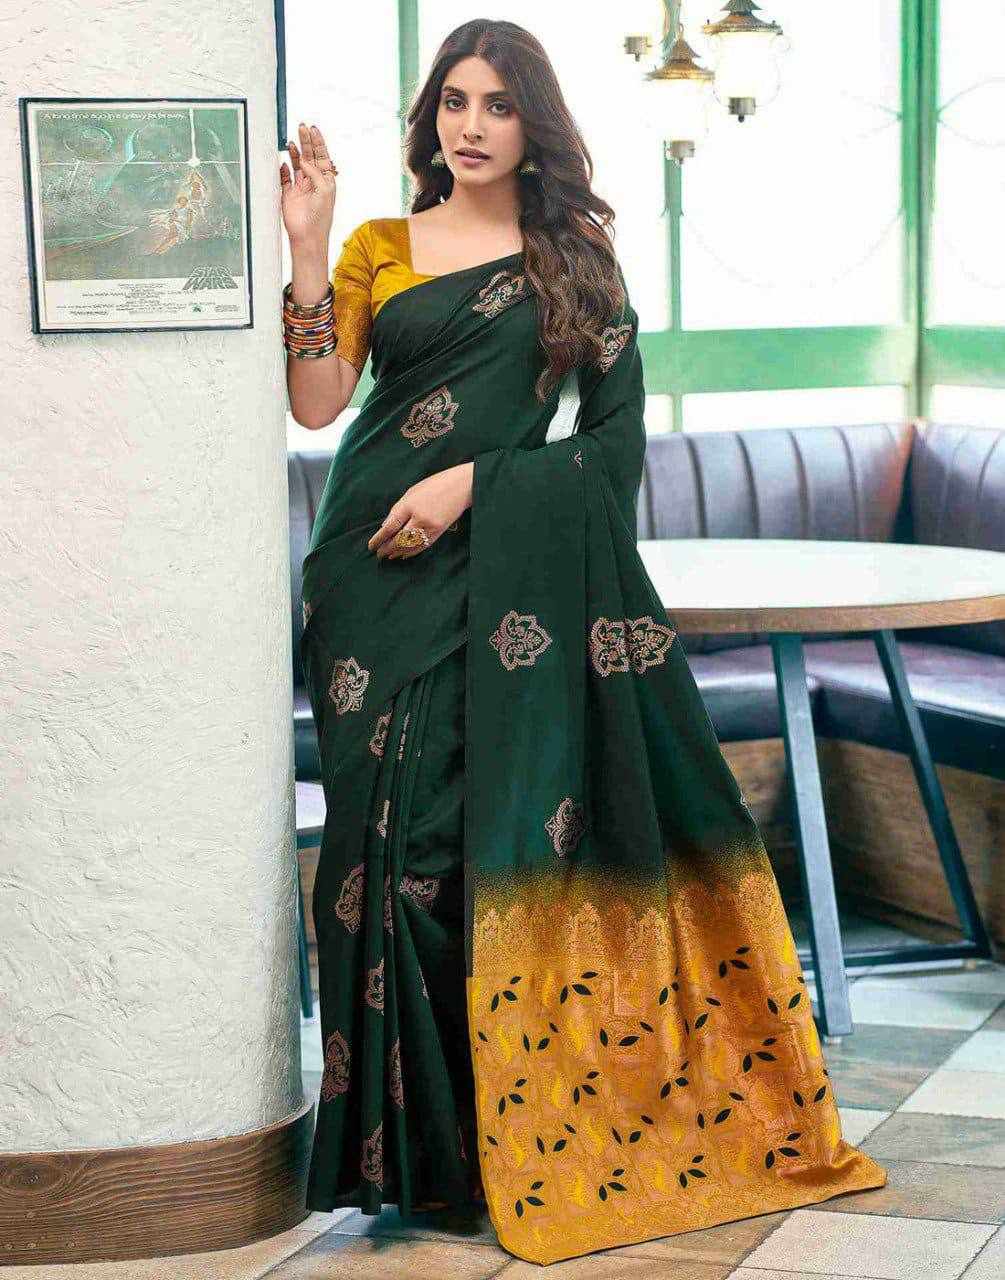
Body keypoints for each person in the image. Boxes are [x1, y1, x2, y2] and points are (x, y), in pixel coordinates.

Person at [278, 18, 887, 1268]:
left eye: (498, 104)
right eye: (454, 100)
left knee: (446, 845)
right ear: (432, 117)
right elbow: (319, 401)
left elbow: (612, 451)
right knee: (370, 853)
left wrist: (473, 485)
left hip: (490, 575)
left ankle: (488, 1146)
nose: (471, 125)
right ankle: (407, 1163)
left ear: (534, 124)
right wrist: (304, 246)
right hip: (365, 581)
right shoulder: (382, 244)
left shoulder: (576, 261)